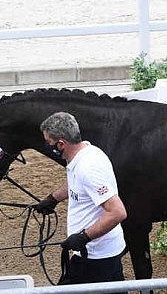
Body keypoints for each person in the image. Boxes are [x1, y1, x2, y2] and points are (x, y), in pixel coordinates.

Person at [35, 111, 128, 288]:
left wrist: (84, 237)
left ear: (61, 143)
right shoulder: (83, 154)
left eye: (49, 143)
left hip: (97, 258)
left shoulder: (89, 168)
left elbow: (117, 212)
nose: (48, 147)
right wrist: (53, 199)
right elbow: (75, 183)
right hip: (89, 255)